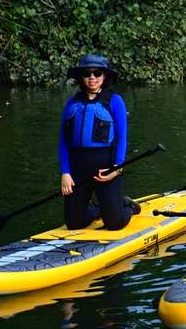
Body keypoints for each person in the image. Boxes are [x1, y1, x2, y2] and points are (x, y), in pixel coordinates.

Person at [59, 53, 138, 230]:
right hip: (78, 170)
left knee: (115, 223)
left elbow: (122, 138)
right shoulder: (72, 103)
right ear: (81, 77)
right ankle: (100, 208)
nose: (92, 78)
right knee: (73, 223)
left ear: (104, 76)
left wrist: (116, 169)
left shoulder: (115, 101)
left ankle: (128, 206)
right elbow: (63, 141)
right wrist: (65, 173)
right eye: (87, 74)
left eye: (97, 73)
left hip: (106, 168)